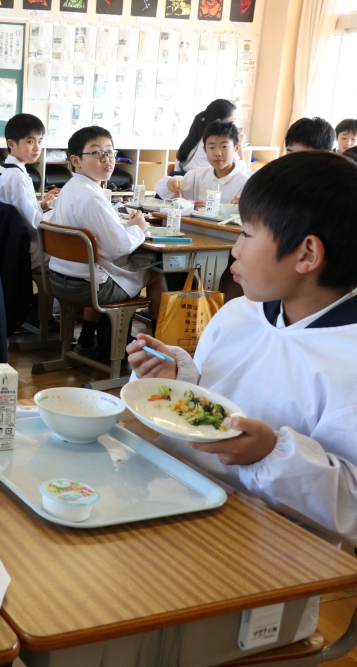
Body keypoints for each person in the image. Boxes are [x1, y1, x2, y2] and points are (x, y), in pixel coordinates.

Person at [126, 150, 357, 549]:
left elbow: (349, 504)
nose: (235, 248)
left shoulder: (347, 357)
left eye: (248, 234)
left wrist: (269, 454)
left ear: (307, 254)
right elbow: (218, 399)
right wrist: (179, 381)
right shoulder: (240, 312)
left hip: (266, 550)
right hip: (175, 499)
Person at [50, 125, 165, 352]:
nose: (106, 159)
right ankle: (161, 344)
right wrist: (137, 228)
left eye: (110, 152)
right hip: (86, 287)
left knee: (102, 266)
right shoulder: (92, 197)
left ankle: (87, 336)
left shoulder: (71, 187)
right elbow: (118, 248)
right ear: (76, 160)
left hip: (59, 279)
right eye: (96, 152)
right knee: (155, 273)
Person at [0, 113, 59, 267]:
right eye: (30, 141)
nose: (37, 148)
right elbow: (35, 228)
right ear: (11, 143)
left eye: (40, 141)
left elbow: (19, 211)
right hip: (23, 250)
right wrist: (58, 219)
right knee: (78, 252)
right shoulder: (17, 177)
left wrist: (42, 206)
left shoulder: (3, 169)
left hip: (6, 245)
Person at [155, 120, 250, 207]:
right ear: (205, 150)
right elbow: (162, 189)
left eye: (224, 146)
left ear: (236, 148)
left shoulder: (245, 184)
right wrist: (170, 183)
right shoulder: (197, 175)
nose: (218, 153)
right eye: (212, 147)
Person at [173, 99, 246, 174]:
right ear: (219, 121)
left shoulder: (195, 137)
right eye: (232, 121)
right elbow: (241, 173)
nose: (234, 126)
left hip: (184, 181)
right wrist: (239, 144)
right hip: (202, 183)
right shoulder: (215, 142)